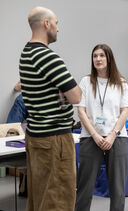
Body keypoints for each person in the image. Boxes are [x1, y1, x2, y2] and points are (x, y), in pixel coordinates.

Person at [20, 6, 81, 211]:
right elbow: (76, 96)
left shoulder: (26, 53)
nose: (58, 28)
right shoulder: (49, 57)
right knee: (58, 200)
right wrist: (63, 92)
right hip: (55, 140)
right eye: (56, 23)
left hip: (36, 136)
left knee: (40, 198)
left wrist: (60, 92)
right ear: (46, 23)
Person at [75, 44, 128, 211]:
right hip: (90, 137)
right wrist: (95, 135)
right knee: (85, 187)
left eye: (101, 55)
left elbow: (125, 111)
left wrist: (112, 135)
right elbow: (81, 111)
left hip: (117, 137)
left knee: (117, 188)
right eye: (95, 56)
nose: (98, 59)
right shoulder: (86, 82)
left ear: (109, 58)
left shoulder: (120, 82)